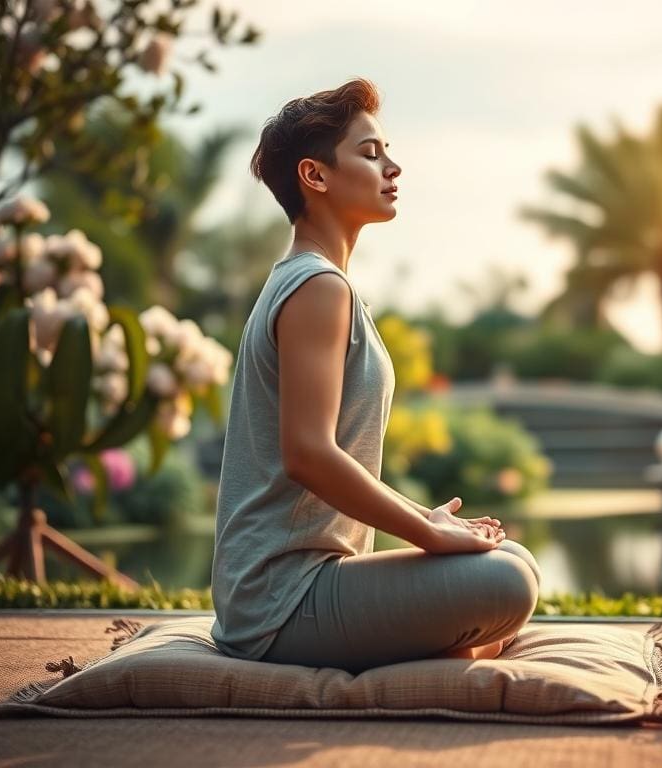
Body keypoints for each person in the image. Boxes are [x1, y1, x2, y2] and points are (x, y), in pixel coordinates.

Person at [209, 77, 541, 674]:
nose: (393, 166)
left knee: (515, 561)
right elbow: (307, 455)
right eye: (370, 153)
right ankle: (450, 649)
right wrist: (429, 536)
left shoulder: (319, 283)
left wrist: (428, 520)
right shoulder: (316, 287)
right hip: (279, 603)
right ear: (316, 176)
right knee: (507, 584)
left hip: (310, 584)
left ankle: (448, 644)